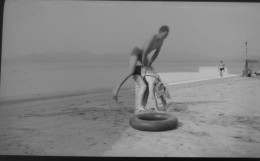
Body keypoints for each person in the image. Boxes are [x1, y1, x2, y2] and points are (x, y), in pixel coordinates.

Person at [112, 25, 170, 110]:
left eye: (166, 35)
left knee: (152, 75)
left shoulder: (161, 42)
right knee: (131, 71)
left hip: (144, 55)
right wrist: (145, 64)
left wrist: (150, 62)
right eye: (164, 35)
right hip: (137, 52)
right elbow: (145, 52)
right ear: (160, 32)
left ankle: (146, 103)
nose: (165, 37)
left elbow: (156, 53)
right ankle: (116, 89)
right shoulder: (152, 38)